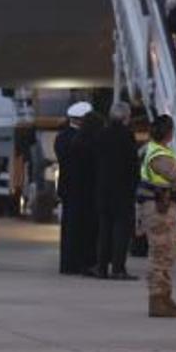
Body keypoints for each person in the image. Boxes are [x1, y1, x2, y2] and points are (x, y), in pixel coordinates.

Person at [137, 115, 176, 318]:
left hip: (162, 206)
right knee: (160, 252)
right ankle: (157, 300)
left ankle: (165, 297)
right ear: (168, 133)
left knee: (166, 252)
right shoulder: (158, 154)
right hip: (159, 207)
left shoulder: (156, 150)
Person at [95, 102, 139, 280]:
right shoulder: (127, 136)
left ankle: (102, 267)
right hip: (122, 190)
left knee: (105, 229)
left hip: (104, 189)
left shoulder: (102, 134)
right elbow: (132, 165)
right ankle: (118, 267)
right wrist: (134, 186)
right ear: (126, 117)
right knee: (121, 230)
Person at [70, 109, 104, 275]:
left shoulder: (77, 142)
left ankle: (80, 262)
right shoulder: (96, 144)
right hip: (92, 192)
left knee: (80, 229)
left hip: (78, 192)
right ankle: (91, 262)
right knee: (92, 230)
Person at [54, 103, 85, 275]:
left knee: (67, 228)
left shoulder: (61, 137)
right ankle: (78, 263)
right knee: (78, 228)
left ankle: (66, 263)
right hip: (80, 189)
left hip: (66, 188)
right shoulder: (81, 139)